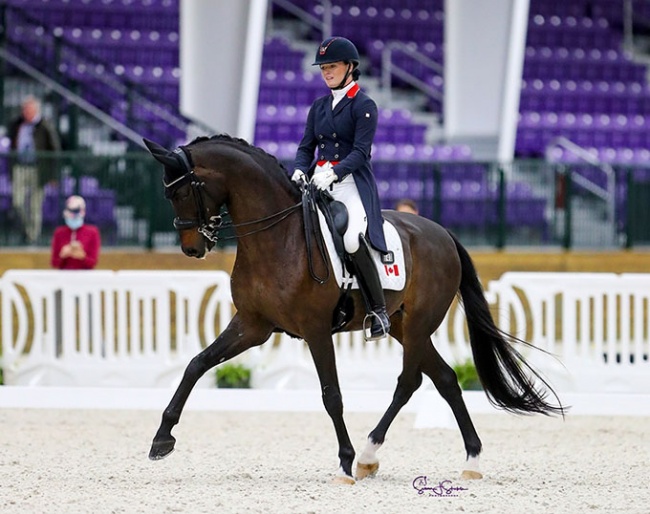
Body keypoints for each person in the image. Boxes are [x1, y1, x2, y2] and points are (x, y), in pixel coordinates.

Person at [291, 36, 390, 340]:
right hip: (318, 182)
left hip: (350, 184)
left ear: (350, 67)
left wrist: (334, 172)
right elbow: (307, 147)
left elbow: (361, 153)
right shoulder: (319, 107)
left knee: (349, 239)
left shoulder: (364, 105)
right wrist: (298, 168)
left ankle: (378, 310)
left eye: (332, 66)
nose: (327, 72)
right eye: (323, 68)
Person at [8, 95, 61, 244]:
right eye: (25, 109)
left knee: (35, 205)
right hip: (19, 167)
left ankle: (32, 236)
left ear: (36, 110)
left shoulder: (45, 125)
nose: (26, 112)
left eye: (30, 109)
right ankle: (26, 228)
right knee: (17, 201)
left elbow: (55, 151)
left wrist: (53, 175)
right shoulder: (16, 124)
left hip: (38, 169)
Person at [50, 195, 101, 270]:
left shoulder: (92, 232)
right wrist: (62, 255)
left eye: (76, 211)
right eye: (70, 211)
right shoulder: (59, 232)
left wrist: (82, 256)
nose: (73, 216)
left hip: (85, 276)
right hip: (64, 276)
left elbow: (93, 262)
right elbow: (54, 263)